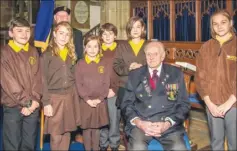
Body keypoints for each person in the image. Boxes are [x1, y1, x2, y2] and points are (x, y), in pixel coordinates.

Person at [121, 41, 190, 150]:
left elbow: (183, 104)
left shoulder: (175, 74)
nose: (151, 57)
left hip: (168, 125)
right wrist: (139, 123)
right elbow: (126, 104)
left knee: (179, 148)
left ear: (162, 56)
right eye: (148, 54)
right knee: (137, 147)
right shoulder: (135, 75)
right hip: (142, 124)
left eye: (155, 54)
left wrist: (167, 123)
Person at [195, 9, 236, 150]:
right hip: (212, 103)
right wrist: (209, 103)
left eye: (223, 22)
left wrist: (229, 102)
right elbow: (200, 79)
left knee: (234, 142)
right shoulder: (205, 47)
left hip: (233, 104)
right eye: (215, 24)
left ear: (231, 23)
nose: (219, 26)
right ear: (212, 27)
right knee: (216, 142)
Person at [0, 17, 42, 150]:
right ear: (11, 33)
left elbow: (38, 78)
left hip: (33, 106)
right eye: (19, 31)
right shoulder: (4, 53)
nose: (24, 35)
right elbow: (8, 82)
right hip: (13, 106)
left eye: (27, 31)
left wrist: (34, 100)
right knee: (12, 144)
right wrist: (27, 102)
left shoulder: (33, 51)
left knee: (29, 144)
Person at [41, 21, 81, 150]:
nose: (64, 37)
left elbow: (73, 77)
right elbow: (42, 80)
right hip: (54, 98)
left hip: (69, 97)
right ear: (54, 34)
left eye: (67, 34)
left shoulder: (71, 54)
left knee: (67, 132)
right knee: (56, 134)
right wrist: (46, 103)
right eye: (61, 33)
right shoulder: (47, 55)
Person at [75, 35, 110, 151]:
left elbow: (106, 83)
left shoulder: (104, 63)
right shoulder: (80, 64)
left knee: (96, 130)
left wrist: (100, 98)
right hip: (86, 102)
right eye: (89, 46)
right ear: (85, 48)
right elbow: (79, 84)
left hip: (99, 102)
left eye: (95, 46)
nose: (92, 49)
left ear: (99, 48)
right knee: (86, 129)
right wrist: (87, 99)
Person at [113, 16, 147, 107]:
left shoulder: (149, 45)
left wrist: (142, 66)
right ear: (128, 30)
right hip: (126, 86)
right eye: (132, 27)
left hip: (144, 86)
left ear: (143, 28)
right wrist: (129, 68)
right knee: (127, 117)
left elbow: (156, 64)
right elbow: (116, 65)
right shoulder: (122, 46)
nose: (135, 30)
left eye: (138, 27)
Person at [99, 23, 120, 151]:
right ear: (101, 36)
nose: (107, 36)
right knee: (102, 118)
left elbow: (121, 72)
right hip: (99, 91)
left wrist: (114, 89)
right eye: (104, 34)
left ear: (115, 35)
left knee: (114, 119)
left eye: (110, 33)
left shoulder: (120, 49)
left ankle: (114, 144)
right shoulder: (97, 49)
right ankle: (102, 143)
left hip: (114, 91)